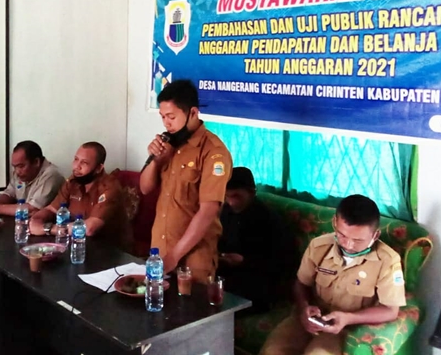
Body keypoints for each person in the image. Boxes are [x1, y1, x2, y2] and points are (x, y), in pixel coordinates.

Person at [259, 195, 407, 355]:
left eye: (358, 240)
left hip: (345, 327)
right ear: (335, 222)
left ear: (375, 235)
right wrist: (304, 308)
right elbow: (301, 283)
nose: (349, 245)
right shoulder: (319, 246)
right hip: (310, 318)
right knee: (272, 351)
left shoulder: (388, 261)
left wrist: (348, 318)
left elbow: (390, 310)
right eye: (342, 235)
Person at [141, 79, 232, 283]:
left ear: (193, 113)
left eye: (171, 117)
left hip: (193, 260)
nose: (166, 123)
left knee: (190, 303)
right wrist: (155, 160)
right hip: (160, 252)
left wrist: (174, 257)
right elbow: (145, 188)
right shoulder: (169, 144)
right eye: (163, 117)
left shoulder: (213, 151)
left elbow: (208, 211)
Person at [218, 167, 296, 313]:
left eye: (236, 196)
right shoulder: (226, 212)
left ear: (252, 193)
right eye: (226, 197)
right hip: (231, 274)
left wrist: (245, 261)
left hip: (260, 282)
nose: (231, 202)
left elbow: (283, 262)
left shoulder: (269, 220)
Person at [30, 142, 132, 250]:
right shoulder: (73, 181)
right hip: (78, 245)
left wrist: (50, 229)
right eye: (76, 159)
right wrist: (35, 220)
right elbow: (52, 209)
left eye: (84, 163)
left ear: (99, 168)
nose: (76, 167)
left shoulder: (110, 188)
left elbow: (89, 229)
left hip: (111, 251)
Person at [0, 140, 64, 216]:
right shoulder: (22, 173)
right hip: (22, 222)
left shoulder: (52, 175)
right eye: (14, 167)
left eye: (21, 166)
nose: (17, 172)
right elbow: (9, 194)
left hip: (46, 226)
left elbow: (32, 209)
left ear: (36, 162)